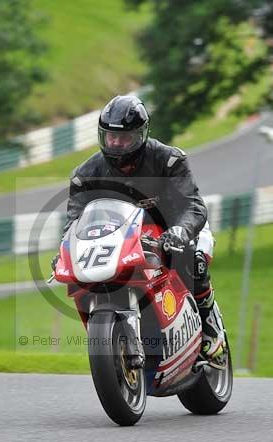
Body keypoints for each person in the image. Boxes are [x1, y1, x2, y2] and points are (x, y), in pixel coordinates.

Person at [53, 94, 225, 359]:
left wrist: (181, 231)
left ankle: (210, 325)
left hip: (178, 225)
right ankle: (120, 337)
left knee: (194, 257)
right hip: (126, 235)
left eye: (124, 138)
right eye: (111, 137)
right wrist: (65, 250)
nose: (117, 144)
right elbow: (75, 221)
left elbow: (193, 205)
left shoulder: (168, 160)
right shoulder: (86, 174)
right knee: (96, 277)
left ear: (140, 135)